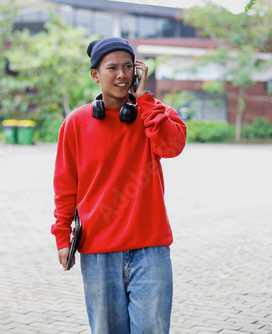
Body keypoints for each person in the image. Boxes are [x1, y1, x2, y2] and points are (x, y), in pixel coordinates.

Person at [51, 37, 187, 334]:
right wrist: (63, 237)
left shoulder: (154, 114)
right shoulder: (76, 123)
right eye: (112, 67)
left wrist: (146, 100)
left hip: (150, 250)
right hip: (98, 252)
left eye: (128, 67)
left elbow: (173, 146)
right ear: (95, 75)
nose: (122, 75)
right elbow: (65, 186)